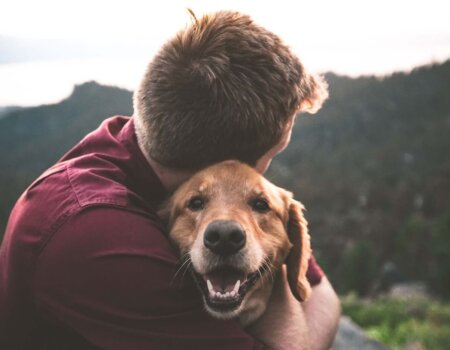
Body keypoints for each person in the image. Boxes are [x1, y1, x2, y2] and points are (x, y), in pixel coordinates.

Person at [0, 10, 340, 350]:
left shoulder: (141, 143)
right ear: (227, 164)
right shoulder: (97, 236)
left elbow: (323, 295)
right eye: (273, 154)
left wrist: (277, 267)